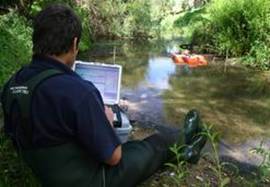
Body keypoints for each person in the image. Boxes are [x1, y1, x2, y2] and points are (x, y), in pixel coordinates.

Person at [1, 4, 207, 187]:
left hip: (43, 171)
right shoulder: (79, 91)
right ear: (74, 44)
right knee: (152, 145)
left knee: (132, 146)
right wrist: (106, 122)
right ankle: (185, 143)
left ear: (36, 40)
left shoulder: (13, 83)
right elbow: (113, 158)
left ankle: (187, 150)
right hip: (90, 179)